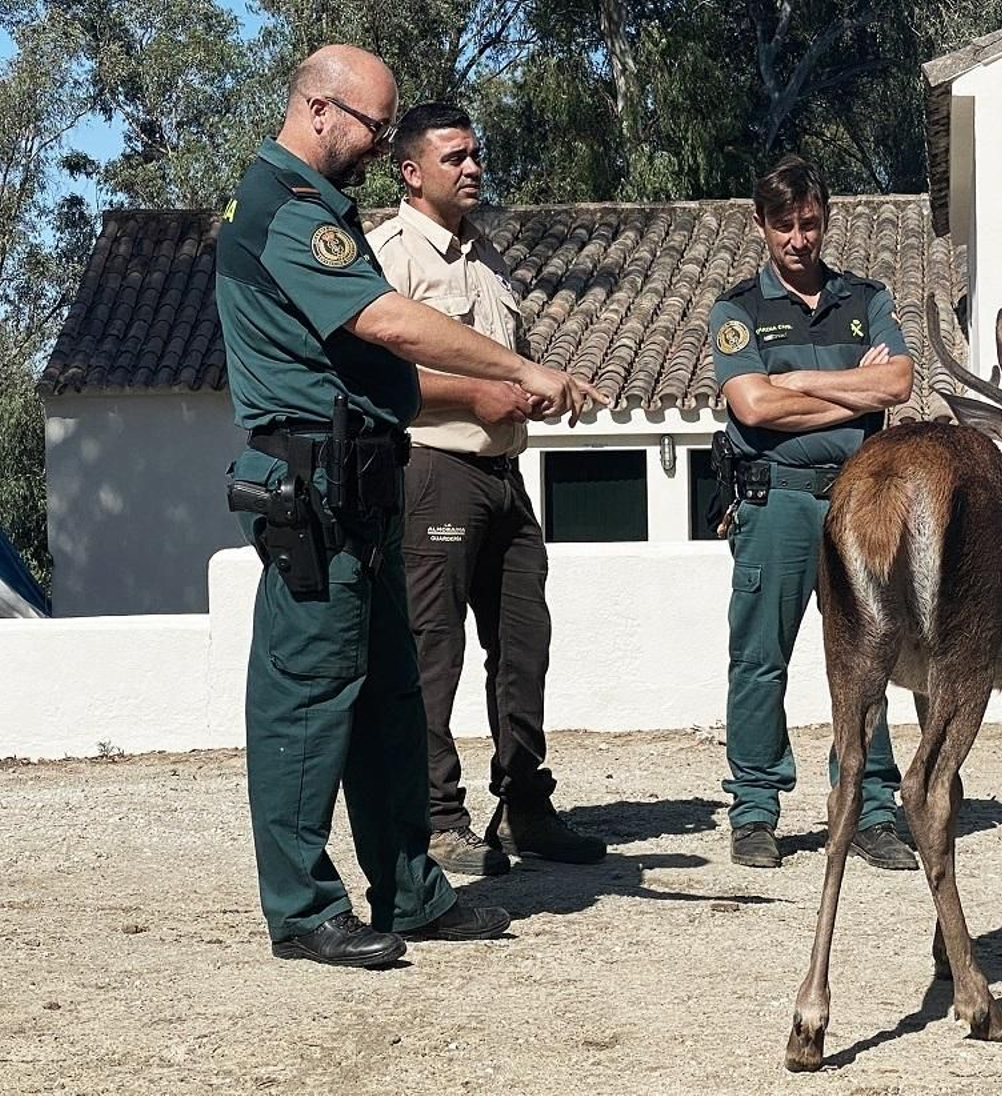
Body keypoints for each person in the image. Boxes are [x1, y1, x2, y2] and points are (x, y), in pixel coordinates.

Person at [216, 46, 598, 967]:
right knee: (308, 702)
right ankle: (304, 912)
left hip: (362, 486)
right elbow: (388, 322)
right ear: (318, 110)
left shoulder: (308, 209)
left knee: (391, 698)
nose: (380, 143)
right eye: (373, 126)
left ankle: (411, 889)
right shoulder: (285, 211)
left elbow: (380, 379)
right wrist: (513, 365)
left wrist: (475, 395)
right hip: (314, 495)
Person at [367, 103, 607, 876]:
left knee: (522, 648)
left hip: (505, 477)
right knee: (431, 653)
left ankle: (525, 808)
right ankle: (438, 819)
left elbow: (502, 365)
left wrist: (536, 391)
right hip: (435, 474)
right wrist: (471, 397)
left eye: (476, 154)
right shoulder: (388, 256)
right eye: (455, 157)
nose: (473, 168)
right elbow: (376, 377)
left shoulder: (487, 255)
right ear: (411, 172)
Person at [710, 154, 918, 871]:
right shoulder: (738, 308)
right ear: (762, 226)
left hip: (861, 497)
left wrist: (797, 379)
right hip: (777, 499)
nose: (799, 240)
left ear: (825, 219)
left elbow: (896, 384)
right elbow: (753, 405)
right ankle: (756, 810)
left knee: (867, 657)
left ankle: (871, 809)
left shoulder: (866, 299)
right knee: (761, 659)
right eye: (784, 226)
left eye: (810, 223)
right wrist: (845, 390)